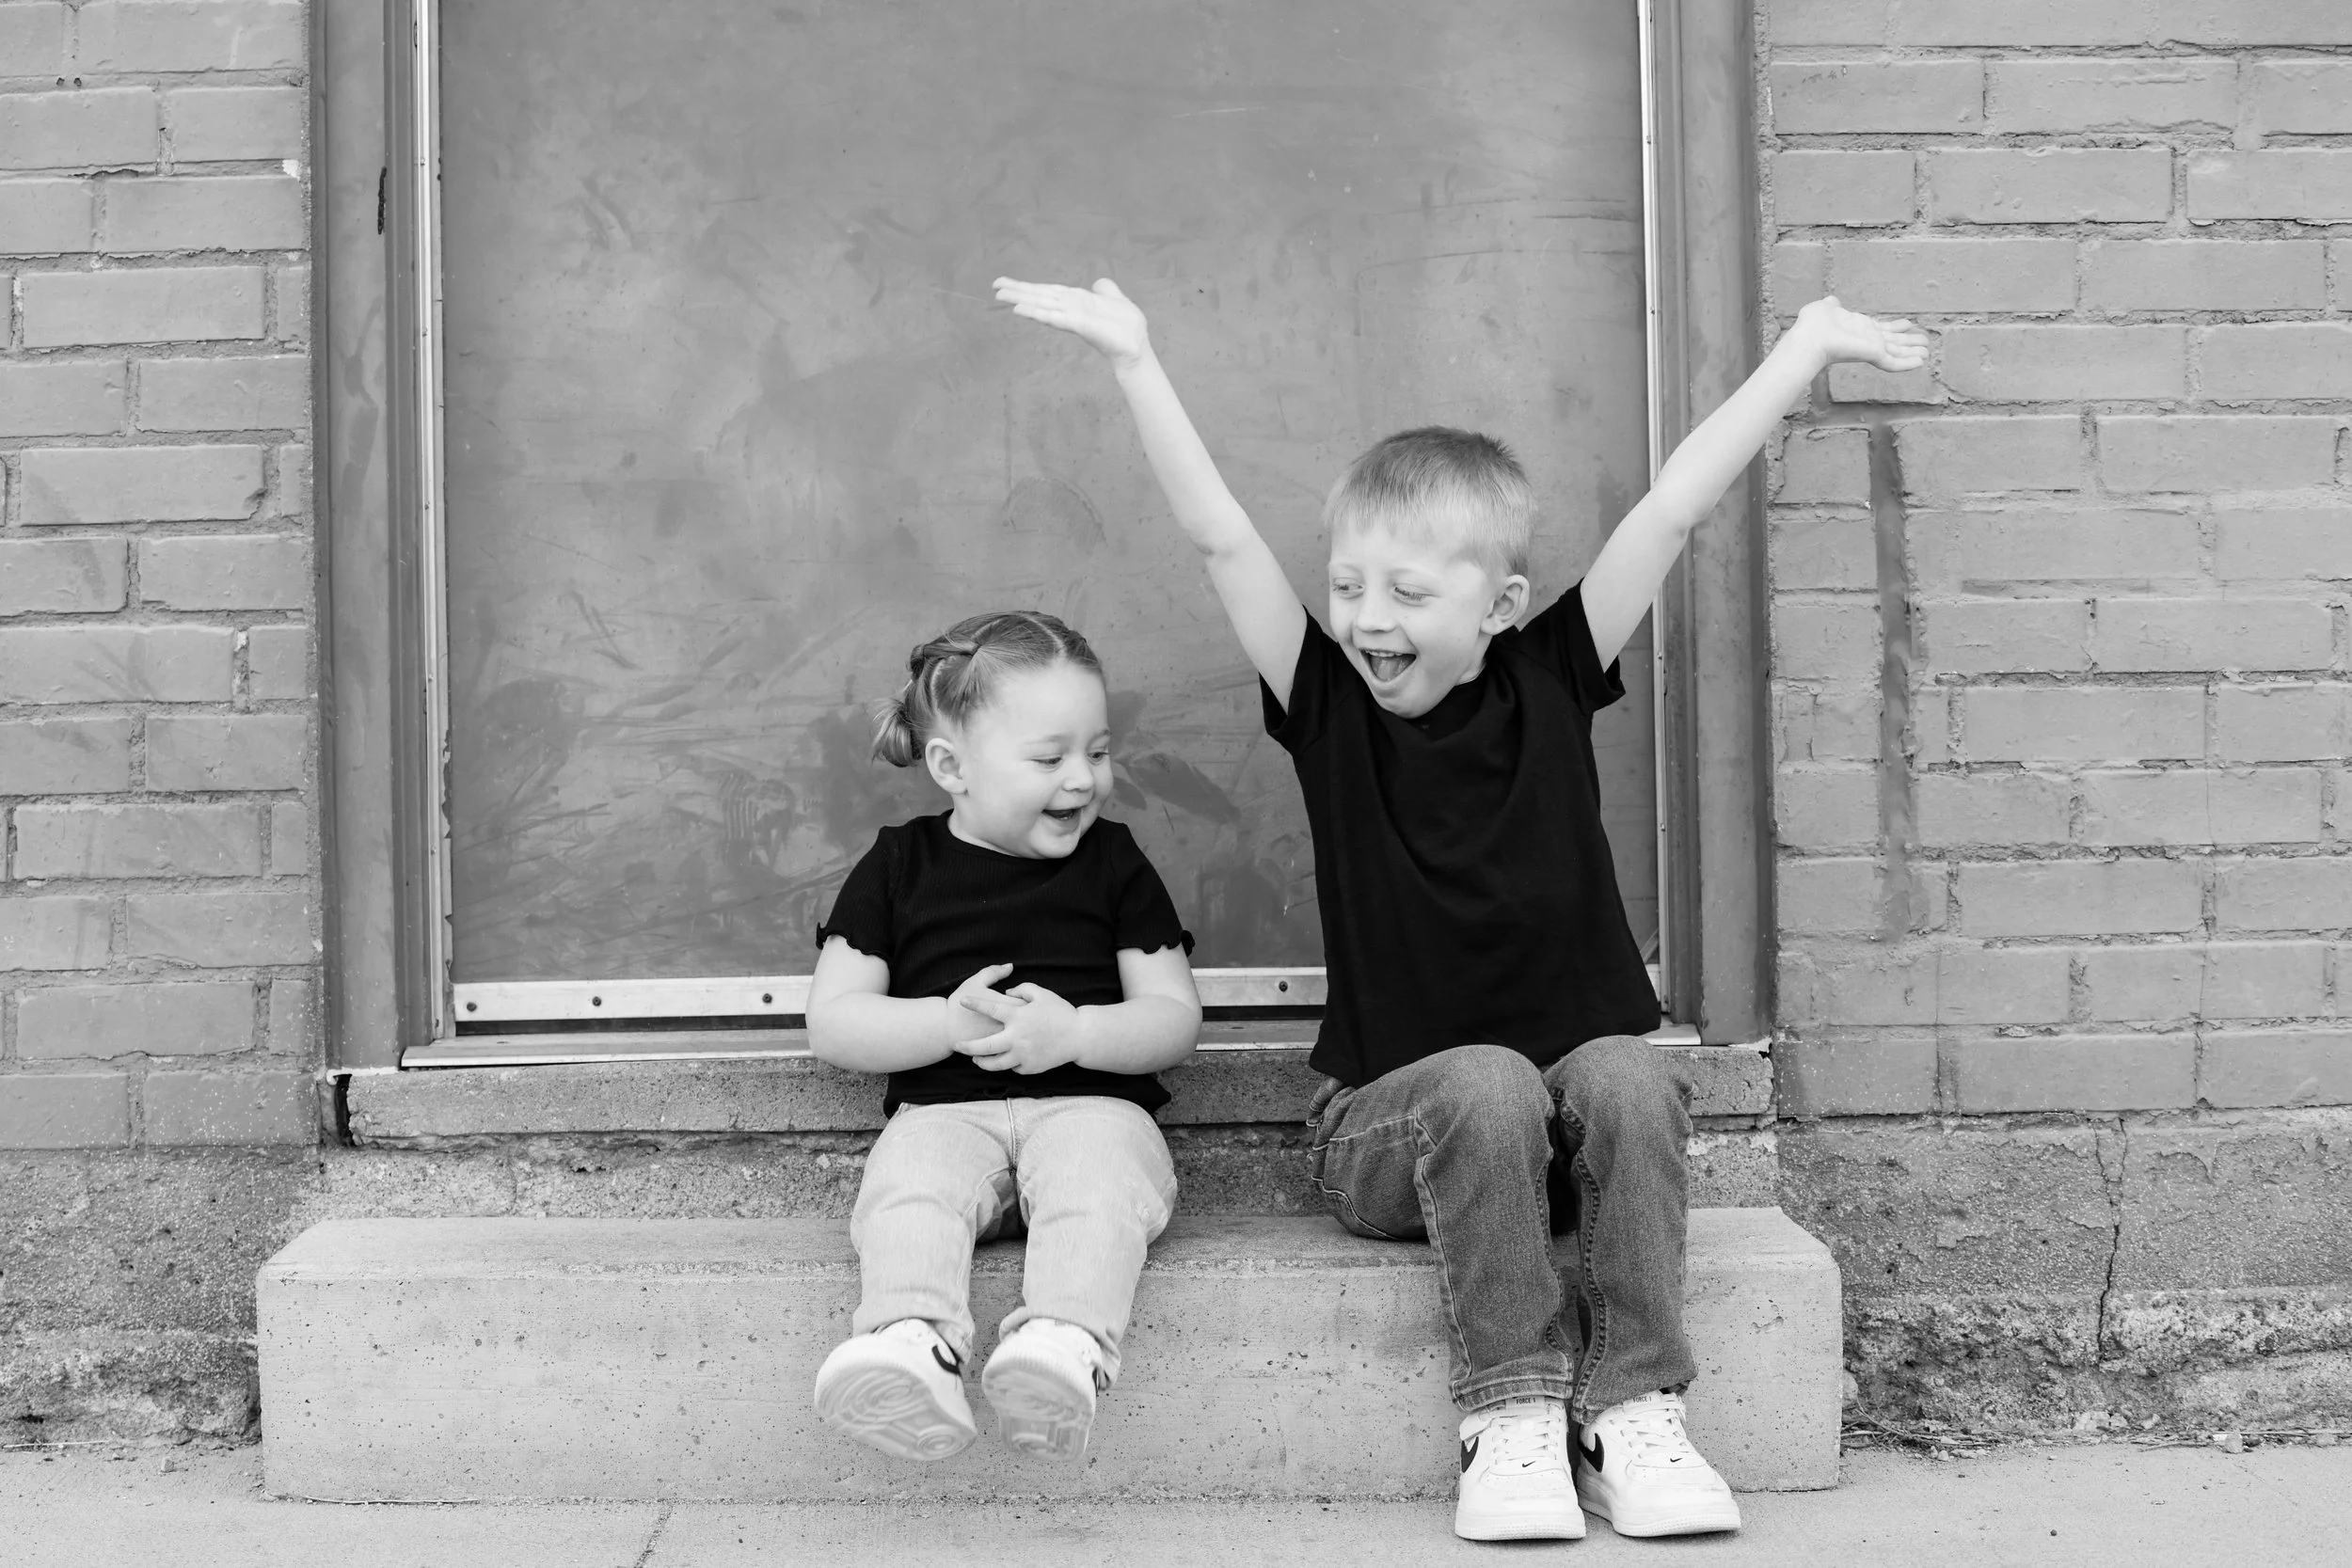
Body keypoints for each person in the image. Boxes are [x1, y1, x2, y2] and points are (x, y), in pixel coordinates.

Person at [994, 275, 1926, 1538]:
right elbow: (1221, 539)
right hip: (1389, 1136)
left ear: (1499, 607)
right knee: (1486, 1079)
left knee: (1630, 1073)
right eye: (1348, 586)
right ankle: (1512, 1412)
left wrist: (1802, 348)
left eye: (1407, 593)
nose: (1366, 617)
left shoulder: (1553, 673)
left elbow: (1673, 505)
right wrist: (1135, 360)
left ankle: (1634, 1408)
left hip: (1557, 1149)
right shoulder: (1327, 704)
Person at [806, 609, 1202, 1465]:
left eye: (1098, 751)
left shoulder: (1116, 861)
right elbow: (833, 1017)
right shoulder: (898, 864)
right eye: (1049, 758)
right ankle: (910, 1341)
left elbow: (1174, 1015)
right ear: (952, 767)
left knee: (1099, 1181)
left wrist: (1079, 1032)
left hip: (1092, 1108)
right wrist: (944, 1022)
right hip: (946, 1115)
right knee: (909, 1184)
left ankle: (1061, 1342)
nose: (1083, 779)